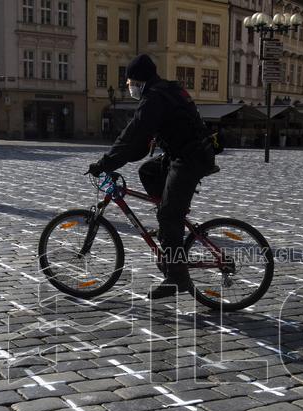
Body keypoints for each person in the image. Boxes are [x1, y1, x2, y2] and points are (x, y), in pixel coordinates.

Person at [87, 54, 217, 300]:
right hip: (186, 152)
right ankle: (169, 220)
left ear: (139, 80)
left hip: (190, 158)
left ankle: (177, 277)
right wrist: (116, 159)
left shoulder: (154, 99)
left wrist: (105, 163)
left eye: (129, 81)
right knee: (148, 171)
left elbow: (132, 136)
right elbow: (138, 144)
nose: (129, 86)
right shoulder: (164, 90)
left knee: (169, 215)